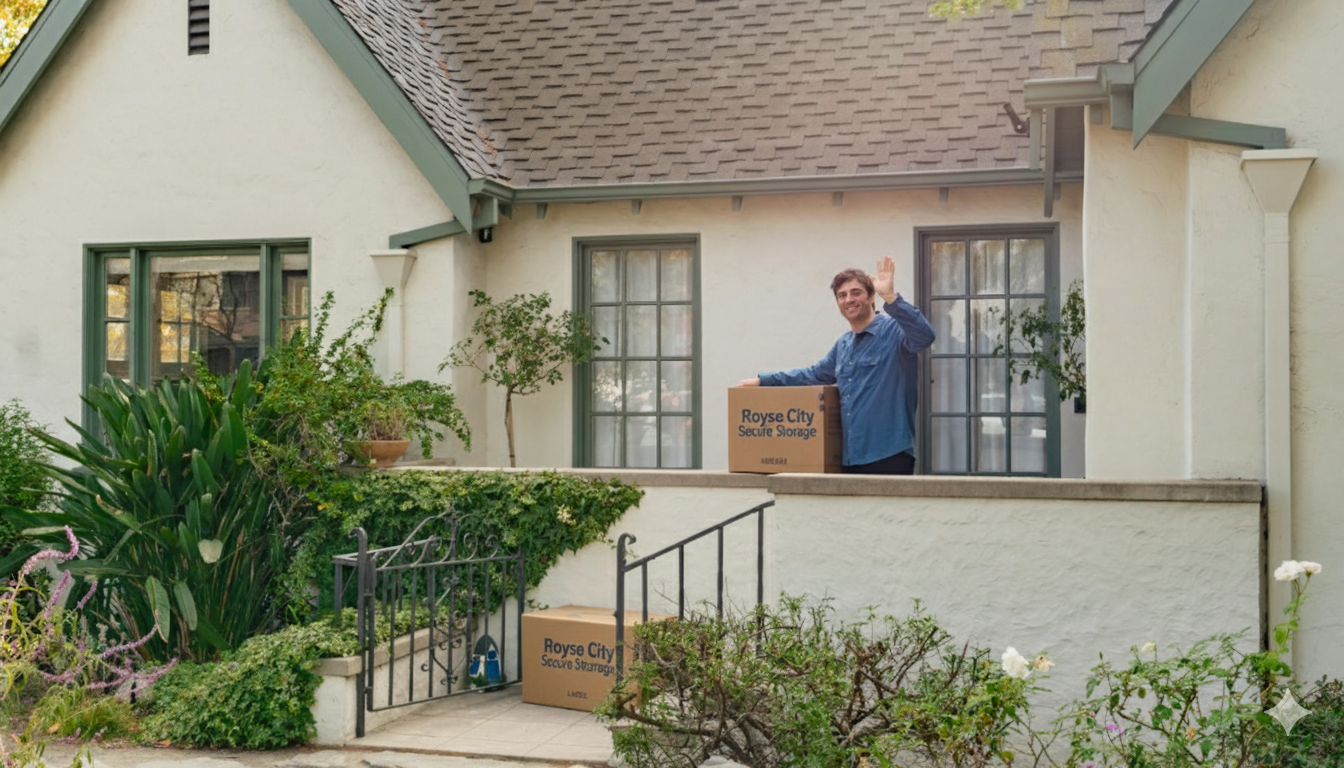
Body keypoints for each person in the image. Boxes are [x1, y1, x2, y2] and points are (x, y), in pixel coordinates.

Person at [738, 256, 935, 474]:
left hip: (889, 455)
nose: (849, 299)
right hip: (849, 459)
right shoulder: (843, 344)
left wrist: (891, 297)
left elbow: (925, 336)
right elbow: (811, 375)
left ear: (871, 297)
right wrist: (763, 380)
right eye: (842, 295)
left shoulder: (895, 333)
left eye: (856, 292)